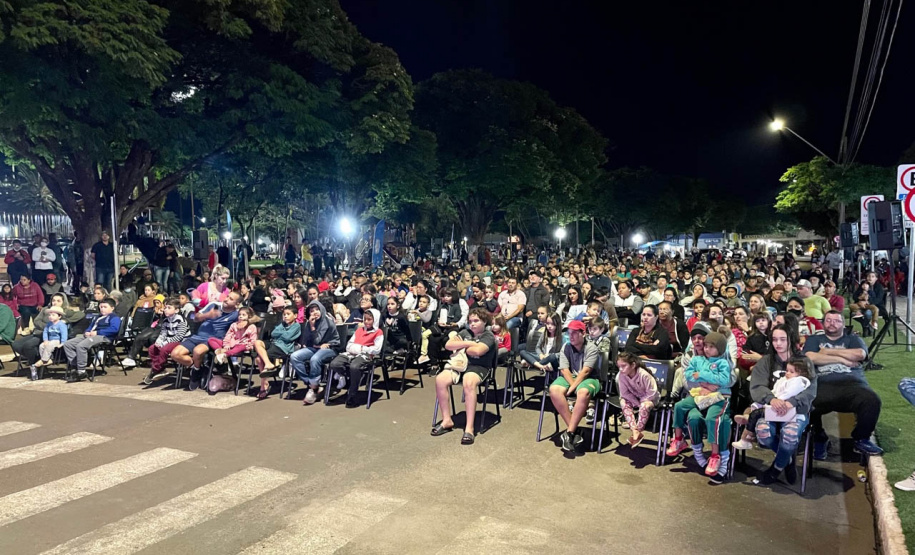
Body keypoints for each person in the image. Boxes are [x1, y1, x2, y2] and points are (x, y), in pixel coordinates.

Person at [804, 310, 883, 458]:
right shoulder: (814, 339)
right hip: (823, 384)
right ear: (823, 323)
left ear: (843, 324)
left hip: (852, 384)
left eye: (836, 320)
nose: (832, 323)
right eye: (828, 320)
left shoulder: (852, 339)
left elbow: (860, 354)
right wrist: (843, 359)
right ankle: (819, 437)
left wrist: (826, 352)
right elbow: (810, 357)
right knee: (805, 401)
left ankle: (861, 438)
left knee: (872, 400)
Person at [748, 328, 818, 485]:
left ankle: (775, 469)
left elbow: (811, 390)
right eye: (774, 339)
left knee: (790, 436)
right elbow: (757, 386)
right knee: (763, 435)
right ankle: (788, 458)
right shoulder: (765, 361)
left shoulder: (804, 361)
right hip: (771, 408)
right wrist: (771, 399)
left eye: (782, 339)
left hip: (796, 410)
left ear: (790, 340)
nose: (778, 343)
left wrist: (791, 402)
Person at [666, 331, 733, 483]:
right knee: (679, 406)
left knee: (712, 419)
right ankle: (678, 439)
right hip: (700, 395)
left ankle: (715, 455)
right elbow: (689, 374)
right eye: (706, 346)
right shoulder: (697, 359)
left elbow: (723, 380)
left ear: (720, 349)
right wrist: (708, 381)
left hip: (719, 398)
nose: (707, 349)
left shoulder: (723, 363)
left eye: (711, 347)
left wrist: (701, 376)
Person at [430, 307, 498, 445]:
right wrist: (469, 343)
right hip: (460, 365)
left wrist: (461, 346)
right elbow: (448, 344)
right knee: (440, 379)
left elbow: (478, 351)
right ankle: (447, 420)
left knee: (468, 382)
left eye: (476, 321)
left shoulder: (488, 336)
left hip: (480, 367)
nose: (472, 324)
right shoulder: (465, 332)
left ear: (484, 322)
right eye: (470, 321)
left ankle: (469, 428)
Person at [734, 354, 812, 453]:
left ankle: (747, 435)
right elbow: (774, 390)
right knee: (753, 407)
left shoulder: (799, 382)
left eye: (791, 372)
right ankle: (747, 427)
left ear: (801, 373)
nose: (787, 373)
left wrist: (774, 401)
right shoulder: (785, 380)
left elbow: (787, 394)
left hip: (784, 409)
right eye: (787, 371)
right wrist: (770, 398)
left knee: (756, 414)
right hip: (775, 405)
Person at [546, 319, 601, 452]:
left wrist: (573, 390)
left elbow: (585, 372)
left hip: (590, 378)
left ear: (584, 333)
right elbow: (564, 369)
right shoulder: (566, 346)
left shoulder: (591, 348)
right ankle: (574, 431)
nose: (571, 336)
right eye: (569, 333)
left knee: (583, 392)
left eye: (575, 333)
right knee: (554, 390)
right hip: (571, 377)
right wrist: (573, 387)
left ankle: (569, 432)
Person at [169, 291, 241, 390]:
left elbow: (247, 321)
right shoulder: (214, 305)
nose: (226, 299)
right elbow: (196, 318)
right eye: (227, 296)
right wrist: (207, 315)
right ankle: (198, 368)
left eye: (231, 299)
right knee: (175, 354)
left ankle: (196, 372)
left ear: (237, 304)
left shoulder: (236, 314)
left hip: (212, 340)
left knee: (197, 351)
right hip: (197, 336)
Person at [327, 308, 383, 408]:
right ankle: (350, 377)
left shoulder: (378, 332)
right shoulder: (359, 330)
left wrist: (361, 348)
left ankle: (352, 395)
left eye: (369, 319)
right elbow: (349, 345)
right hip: (351, 352)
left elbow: (376, 349)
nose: (366, 322)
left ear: (375, 320)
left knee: (354, 367)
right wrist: (354, 348)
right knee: (334, 364)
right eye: (364, 319)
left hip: (366, 355)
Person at [289, 300, 340, 405]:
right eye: (312, 311)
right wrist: (310, 326)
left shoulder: (327, 321)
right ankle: (313, 385)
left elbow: (317, 340)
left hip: (331, 348)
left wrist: (312, 327)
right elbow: (307, 340)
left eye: (317, 309)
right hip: (315, 348)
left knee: (315, 359)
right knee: (294, 356)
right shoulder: (310, 322)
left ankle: (313, 389)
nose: (315, 312)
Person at [62, 297, 121, 382]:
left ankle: (81, 371)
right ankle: (74, 366)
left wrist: (98, 332)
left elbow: (114, 329)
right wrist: (87, 332)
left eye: (105, 307)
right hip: (91, 335)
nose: (102, 309)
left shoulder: (114, 317)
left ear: (112, 308)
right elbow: (90, 327)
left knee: (81, 346)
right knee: (68, 344)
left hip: (104, 337)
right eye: (101, 307)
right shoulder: (97, 317)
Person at [254, 307, 302, 399]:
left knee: (258, 358)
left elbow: (288, 337)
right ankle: (268, 364)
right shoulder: (282, 324)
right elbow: (273, 333)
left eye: (288, 314)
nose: (286, 316)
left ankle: (264, 385)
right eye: (284, 314)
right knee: (257, 342)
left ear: (295, 316)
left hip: (283, 348)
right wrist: (282, 332)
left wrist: (281, 333)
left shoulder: (297, 326)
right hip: (273, 343)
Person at [617, 351, 660, 447]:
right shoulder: (622, 375)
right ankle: (635, 431)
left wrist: (641, 403)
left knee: (644, 406)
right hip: (636, 397)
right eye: (619, 366)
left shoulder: (644, 375)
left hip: (650, 399)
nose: (620, 369)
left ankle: (639, 430)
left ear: (633, 365)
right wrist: (635, 402)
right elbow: (624, 393)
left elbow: (652, 393)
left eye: (623, 366)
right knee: (623, 402)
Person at [142, 298, 190, 385]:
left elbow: (179, 337)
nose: (165, 310)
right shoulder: (166, 321)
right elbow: (163, 333)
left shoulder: (181, 320)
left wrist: (165, 343)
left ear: (176, 310)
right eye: (165, 307)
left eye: (169, 308)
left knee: (164, 349)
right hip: (170, 340)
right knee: (152, 349)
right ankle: (161, 369)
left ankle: (155, 370)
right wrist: (159, 341)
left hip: (181, 342)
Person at [28, 305, 67, 379]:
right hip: (50, 339)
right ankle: (46, 359)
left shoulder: (61, 325)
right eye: (49, 315)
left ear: (59, 316)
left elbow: (64, 334)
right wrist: (45, 340)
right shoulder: (49, 324)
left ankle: (43, 360)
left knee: (50, 345)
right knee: (42, 346)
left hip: (57, 340)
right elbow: (45, 332)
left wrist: (63, 342)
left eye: (53, 315)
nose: (50, 316)